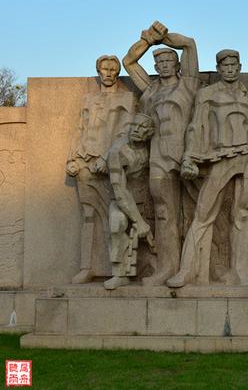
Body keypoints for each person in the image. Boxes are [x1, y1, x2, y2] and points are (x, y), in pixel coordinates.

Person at [167, 50, 248, 288]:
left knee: (243, 213)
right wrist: (189, 157)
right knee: (204, 213)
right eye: (225, 66)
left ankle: (243, 272)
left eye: (234, 65)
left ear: (239, 67)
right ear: (218, 69)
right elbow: (196, 126)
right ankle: (188, 270)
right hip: (220, 157)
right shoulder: (207, 94)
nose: (230, 69)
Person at [123, 21, 200, 286]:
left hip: (189, 154)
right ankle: (167, 267)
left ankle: (193, 267)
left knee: (196, 213)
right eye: (160, 62)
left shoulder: (189, 84)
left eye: (170, 61)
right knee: (164, 212)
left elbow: (189, 43)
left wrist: (165, 38)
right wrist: (148, 41)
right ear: (156, 67)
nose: (165, 65)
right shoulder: (151, 89)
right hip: (158, 157)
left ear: (177, 65)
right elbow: (128, 62)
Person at [66, 55, 135, 284]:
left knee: (115, 216)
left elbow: (127, 133)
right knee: (88, 215)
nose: (108, 73)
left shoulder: (127, 98)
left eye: (112, 69)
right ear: (98, 71)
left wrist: (107, 157)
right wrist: (72, 158)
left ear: (117, 72)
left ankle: (119, 270)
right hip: (85, 160)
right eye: (104, 69)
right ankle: (87, 267)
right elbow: (80, 130)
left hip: (109, 164)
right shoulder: (89, 99)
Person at [104, 113, 155, 290]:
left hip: (149, 198)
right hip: (123, 200)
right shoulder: (118, 151)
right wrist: (139, 222)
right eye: (134, 125)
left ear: (150, 133)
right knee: (117, 223)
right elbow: (119, 191)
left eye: (142, 127)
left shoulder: (153, 147)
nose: (136, 130)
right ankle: (119, 273)